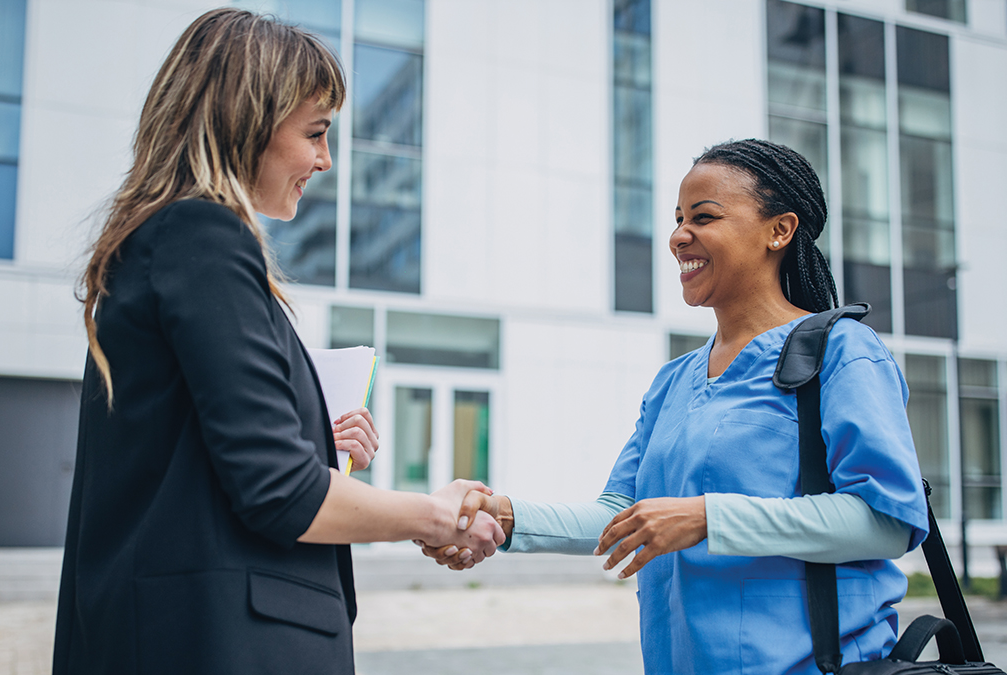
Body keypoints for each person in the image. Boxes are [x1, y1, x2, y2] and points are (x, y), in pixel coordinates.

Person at [53, 9, 503, 675]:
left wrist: (318, 437)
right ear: (246, 122)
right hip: (218, 643)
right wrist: (433, 515)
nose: (325, 159)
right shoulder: (203, 238)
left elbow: (199, 462)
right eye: (316, 133)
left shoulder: (157, 244)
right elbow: (278, 492)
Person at [422, 139, 929, 675]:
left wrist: (707, 517)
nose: (678, 236)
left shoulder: (842, 352)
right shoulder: (674, 380)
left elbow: (886, 519)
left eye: (703, 217)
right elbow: (624, 516)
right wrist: (499, 516)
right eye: (679, 219)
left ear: (779, 231)